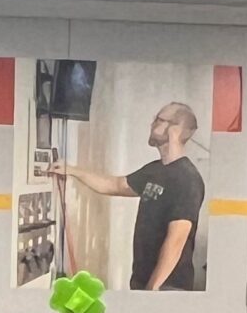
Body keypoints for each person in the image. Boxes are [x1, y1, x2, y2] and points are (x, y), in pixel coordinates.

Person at [52, 100, 204, 291]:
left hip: (168, 288)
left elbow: (177, 240)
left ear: (175, 130)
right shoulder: (155, 171)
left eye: (159, 119)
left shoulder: (187, 178)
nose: (152, 124)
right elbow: (115, 185)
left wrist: (152, 289)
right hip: (143, 281)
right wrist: (71, 170)